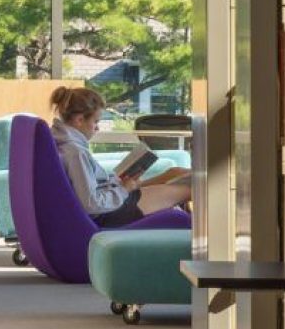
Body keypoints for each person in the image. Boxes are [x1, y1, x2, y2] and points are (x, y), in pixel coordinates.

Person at [46, 85, 191, 228]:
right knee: (192, 187)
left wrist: (120, 183)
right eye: (95, 122)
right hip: (110, 212)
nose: (97, 128)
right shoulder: (75, 152)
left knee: (176, 173)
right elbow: (92, 204)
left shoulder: (62, 142)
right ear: (79, 120)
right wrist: (123, 189)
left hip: (112, 199)